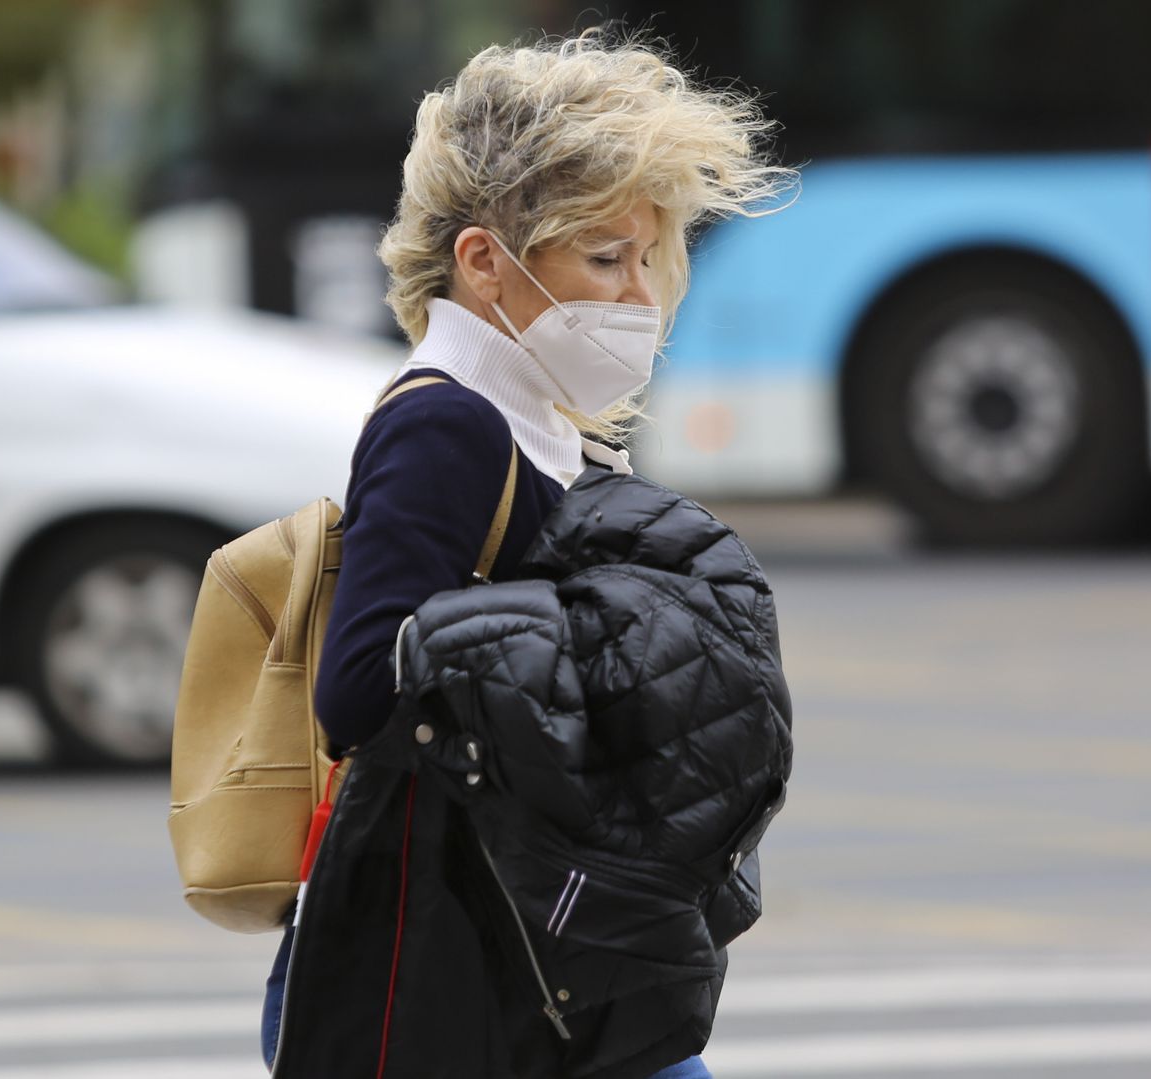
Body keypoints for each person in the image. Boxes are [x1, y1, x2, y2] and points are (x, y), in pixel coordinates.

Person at [262, 27, 793, 1078]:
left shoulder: (524, 411)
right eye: (604, 257)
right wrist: (600, 637)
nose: (639, 294)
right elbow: (361, 690)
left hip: (526, 935)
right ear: (484, 263)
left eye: (646, 256)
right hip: (465, 950)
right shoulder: (445, 423)